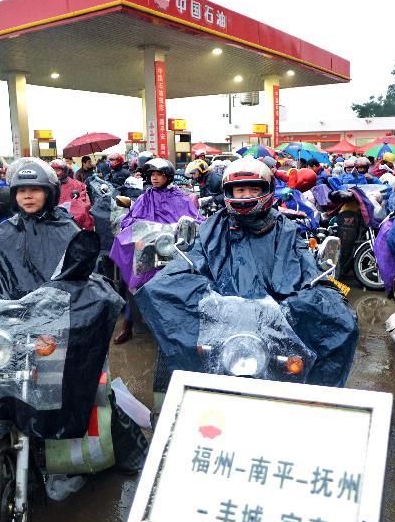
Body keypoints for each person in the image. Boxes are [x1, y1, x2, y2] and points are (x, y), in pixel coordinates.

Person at [135, 157, 359, 392]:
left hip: (277, 321)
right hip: (219, 319)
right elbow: (189, 262)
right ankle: (174, 397)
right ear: (228, 192)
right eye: (240, 190)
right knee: (159, 294)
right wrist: (207, 298)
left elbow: (306, 269)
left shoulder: (286, 229)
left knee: (341, 320)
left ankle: (317, 400)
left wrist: (303, 300)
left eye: (254, 189)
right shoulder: (211, 228)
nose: (246, 195)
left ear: (268, 191)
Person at [109, 158, 203, 343]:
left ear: (168, 177)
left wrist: (183, 228)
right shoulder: (145, 197)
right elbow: (130, 219)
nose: (154, 178)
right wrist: (135, 228)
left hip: (172, 249)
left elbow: (195, 219)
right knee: (131, 283)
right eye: (152, 174)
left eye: (159, 174)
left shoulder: (180, 197)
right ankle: (128, 325)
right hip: (147, 249)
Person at [0, 158, 80, 300]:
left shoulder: (68, 231)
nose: (28, 196)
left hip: (58, 311)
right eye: (22, 190)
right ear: (14, 195)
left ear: (48, 193)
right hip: (11, 314)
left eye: (35, 189)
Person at [51, 158, 93, 230]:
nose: (54, 173)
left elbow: (83, 206)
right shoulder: (45, 186)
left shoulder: (76, 185)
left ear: (64, 171)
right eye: (52, 170)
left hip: (71, 223)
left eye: (57, 170)